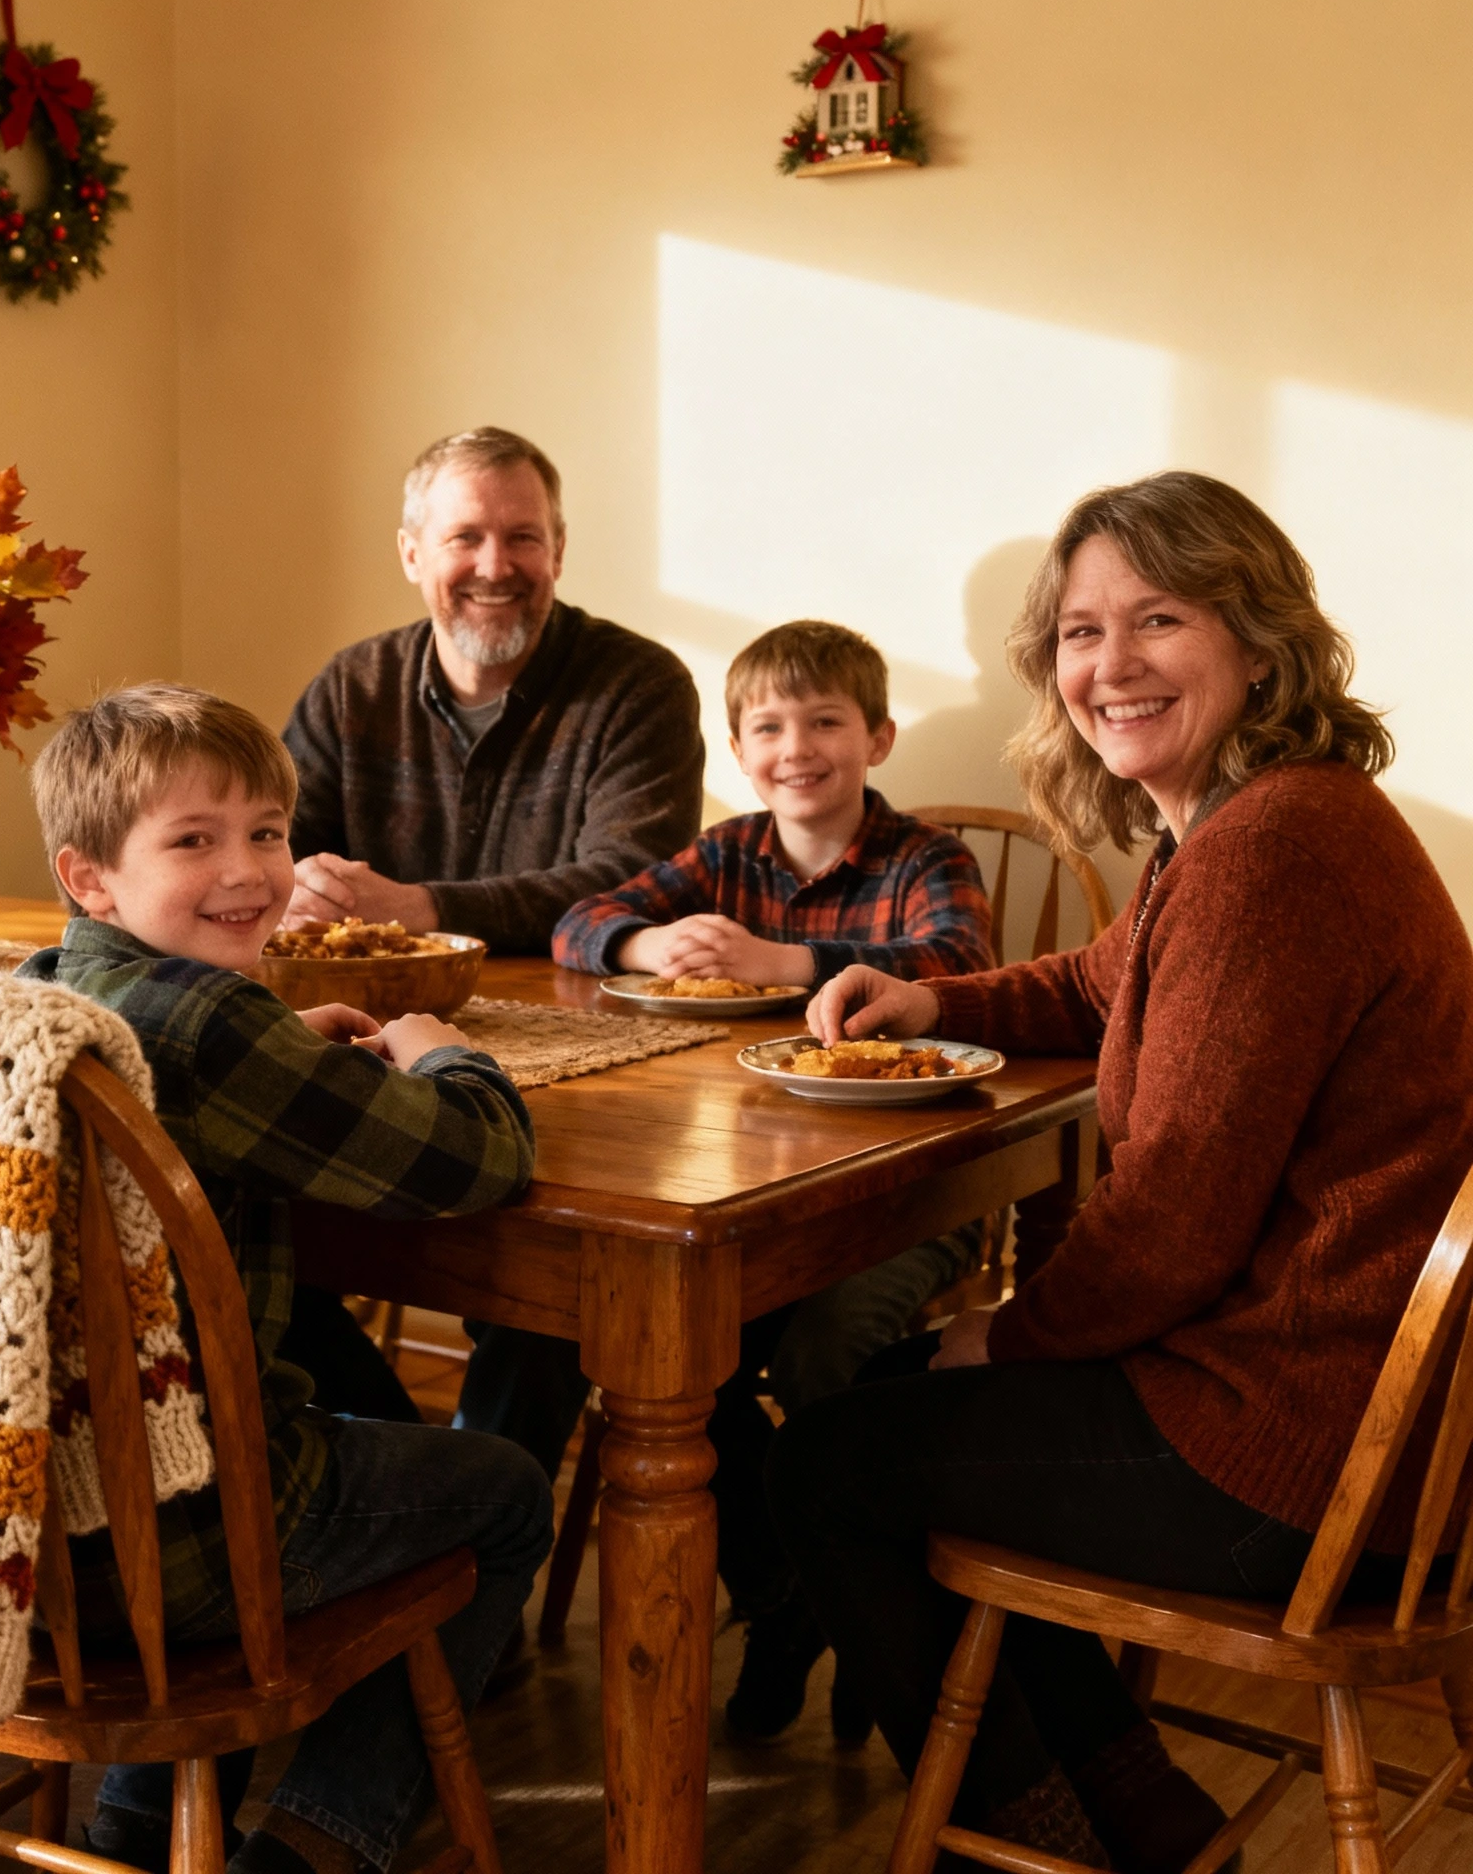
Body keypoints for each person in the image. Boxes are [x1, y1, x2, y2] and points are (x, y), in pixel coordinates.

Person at [768, 471, 1473, 1874]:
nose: (1111, 664)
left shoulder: (1271, 849)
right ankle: (1144, 1818)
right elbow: (1114, 980)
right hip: (1342, 1419)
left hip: (1289, 1451)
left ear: (1259, 642)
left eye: (1159, 619)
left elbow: (1169, 1228)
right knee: (891, 1423)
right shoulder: (1248, 823)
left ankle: (1040, 1835)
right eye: (1082, 633)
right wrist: (943, 1002)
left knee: (828, 1462)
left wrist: (1004, 1337)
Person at [22, 683, 554, 1874]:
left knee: (313, 1401)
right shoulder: (207, 1024)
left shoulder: (48, 986)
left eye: (266, 830)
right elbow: (480, 1154)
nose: (248, 869)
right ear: (91, 874)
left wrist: (275, 1042)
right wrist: (439, 1047)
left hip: (29, 1521)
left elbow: (209, 1074)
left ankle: (134, 1824)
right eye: (194, 839)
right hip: (188, 1537)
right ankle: (321, 1841)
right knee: (510, 1489)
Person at [545, 620, 995, 1740]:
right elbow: (579, 920)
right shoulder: (726, 851)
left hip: (908, 1198)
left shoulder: (923, 857)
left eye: (825, 721)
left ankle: (863, 1592)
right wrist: (646, 948)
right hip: (757, 1189)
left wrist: (784, 964)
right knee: (655, 1358)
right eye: (768, 727)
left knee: (817, 1355)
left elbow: (962, 966)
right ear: (741, 752)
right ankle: (788, 1588)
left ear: (876, 735)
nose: (797, 746)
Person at [277, 425, 706, 1428]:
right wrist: (298, 879)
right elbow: (278, 845)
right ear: (412, 553)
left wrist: (417, 908)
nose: (494, 566)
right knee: (248, 1219)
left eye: (523, 537)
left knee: (549, 1276)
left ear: (556, 548)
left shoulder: (636, 684)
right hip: (370, 1048)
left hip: (590, 1072)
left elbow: (629, 875)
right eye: (465, 535)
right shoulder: (352, 685)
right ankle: (405, 1470)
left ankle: (489, 1500)